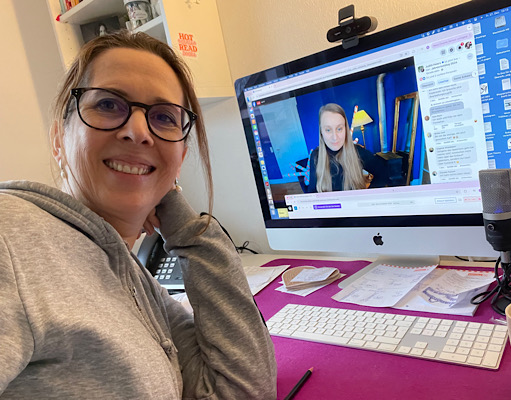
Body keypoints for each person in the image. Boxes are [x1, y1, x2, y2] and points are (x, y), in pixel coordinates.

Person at [0, 31, 276, 399]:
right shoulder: (10, 234)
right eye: (109, 105)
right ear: (57, 139)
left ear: (180, 155)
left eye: (164, 117)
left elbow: (240, 390)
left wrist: (186, 225)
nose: (137, 131)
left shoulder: (133, 280)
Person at [307, 103, 387, 193]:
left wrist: (367, 196)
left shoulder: (358, 152)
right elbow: (312, 192)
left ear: (345, 129)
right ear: (321, 132)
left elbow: (383, 173)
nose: (335, 137)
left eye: (339, 129)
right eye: (328, 130)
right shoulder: (316, 156)